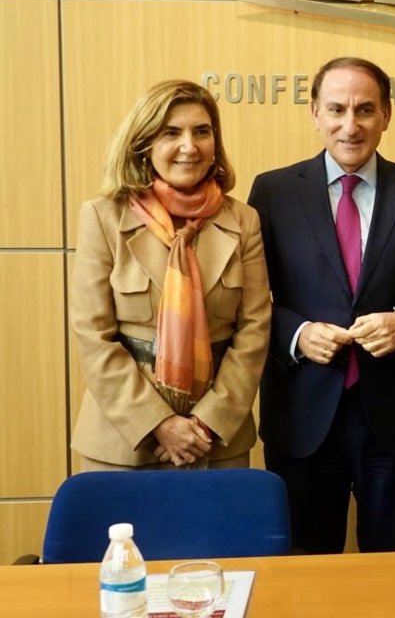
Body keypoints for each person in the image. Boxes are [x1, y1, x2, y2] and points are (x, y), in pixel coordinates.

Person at [248, 56, 395, 553]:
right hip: (302, 414)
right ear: (314, 113)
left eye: (365, 109)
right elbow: (248, 301)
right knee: (305, 564)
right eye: (336, 109)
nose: (350, 125)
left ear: (386, 114)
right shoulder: (273, 192)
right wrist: (297, 334)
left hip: (393, 418)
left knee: (390, 564)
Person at [71, 80, 269, 471]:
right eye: (171, 133)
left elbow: (254, 331)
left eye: (202, 132)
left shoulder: (243, 220)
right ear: (143, 143)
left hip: (215, 439)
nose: (189, 146)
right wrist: (158, 423)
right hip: (123, 439)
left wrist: (206, 422)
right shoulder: (102, 217)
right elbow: (92, 335)